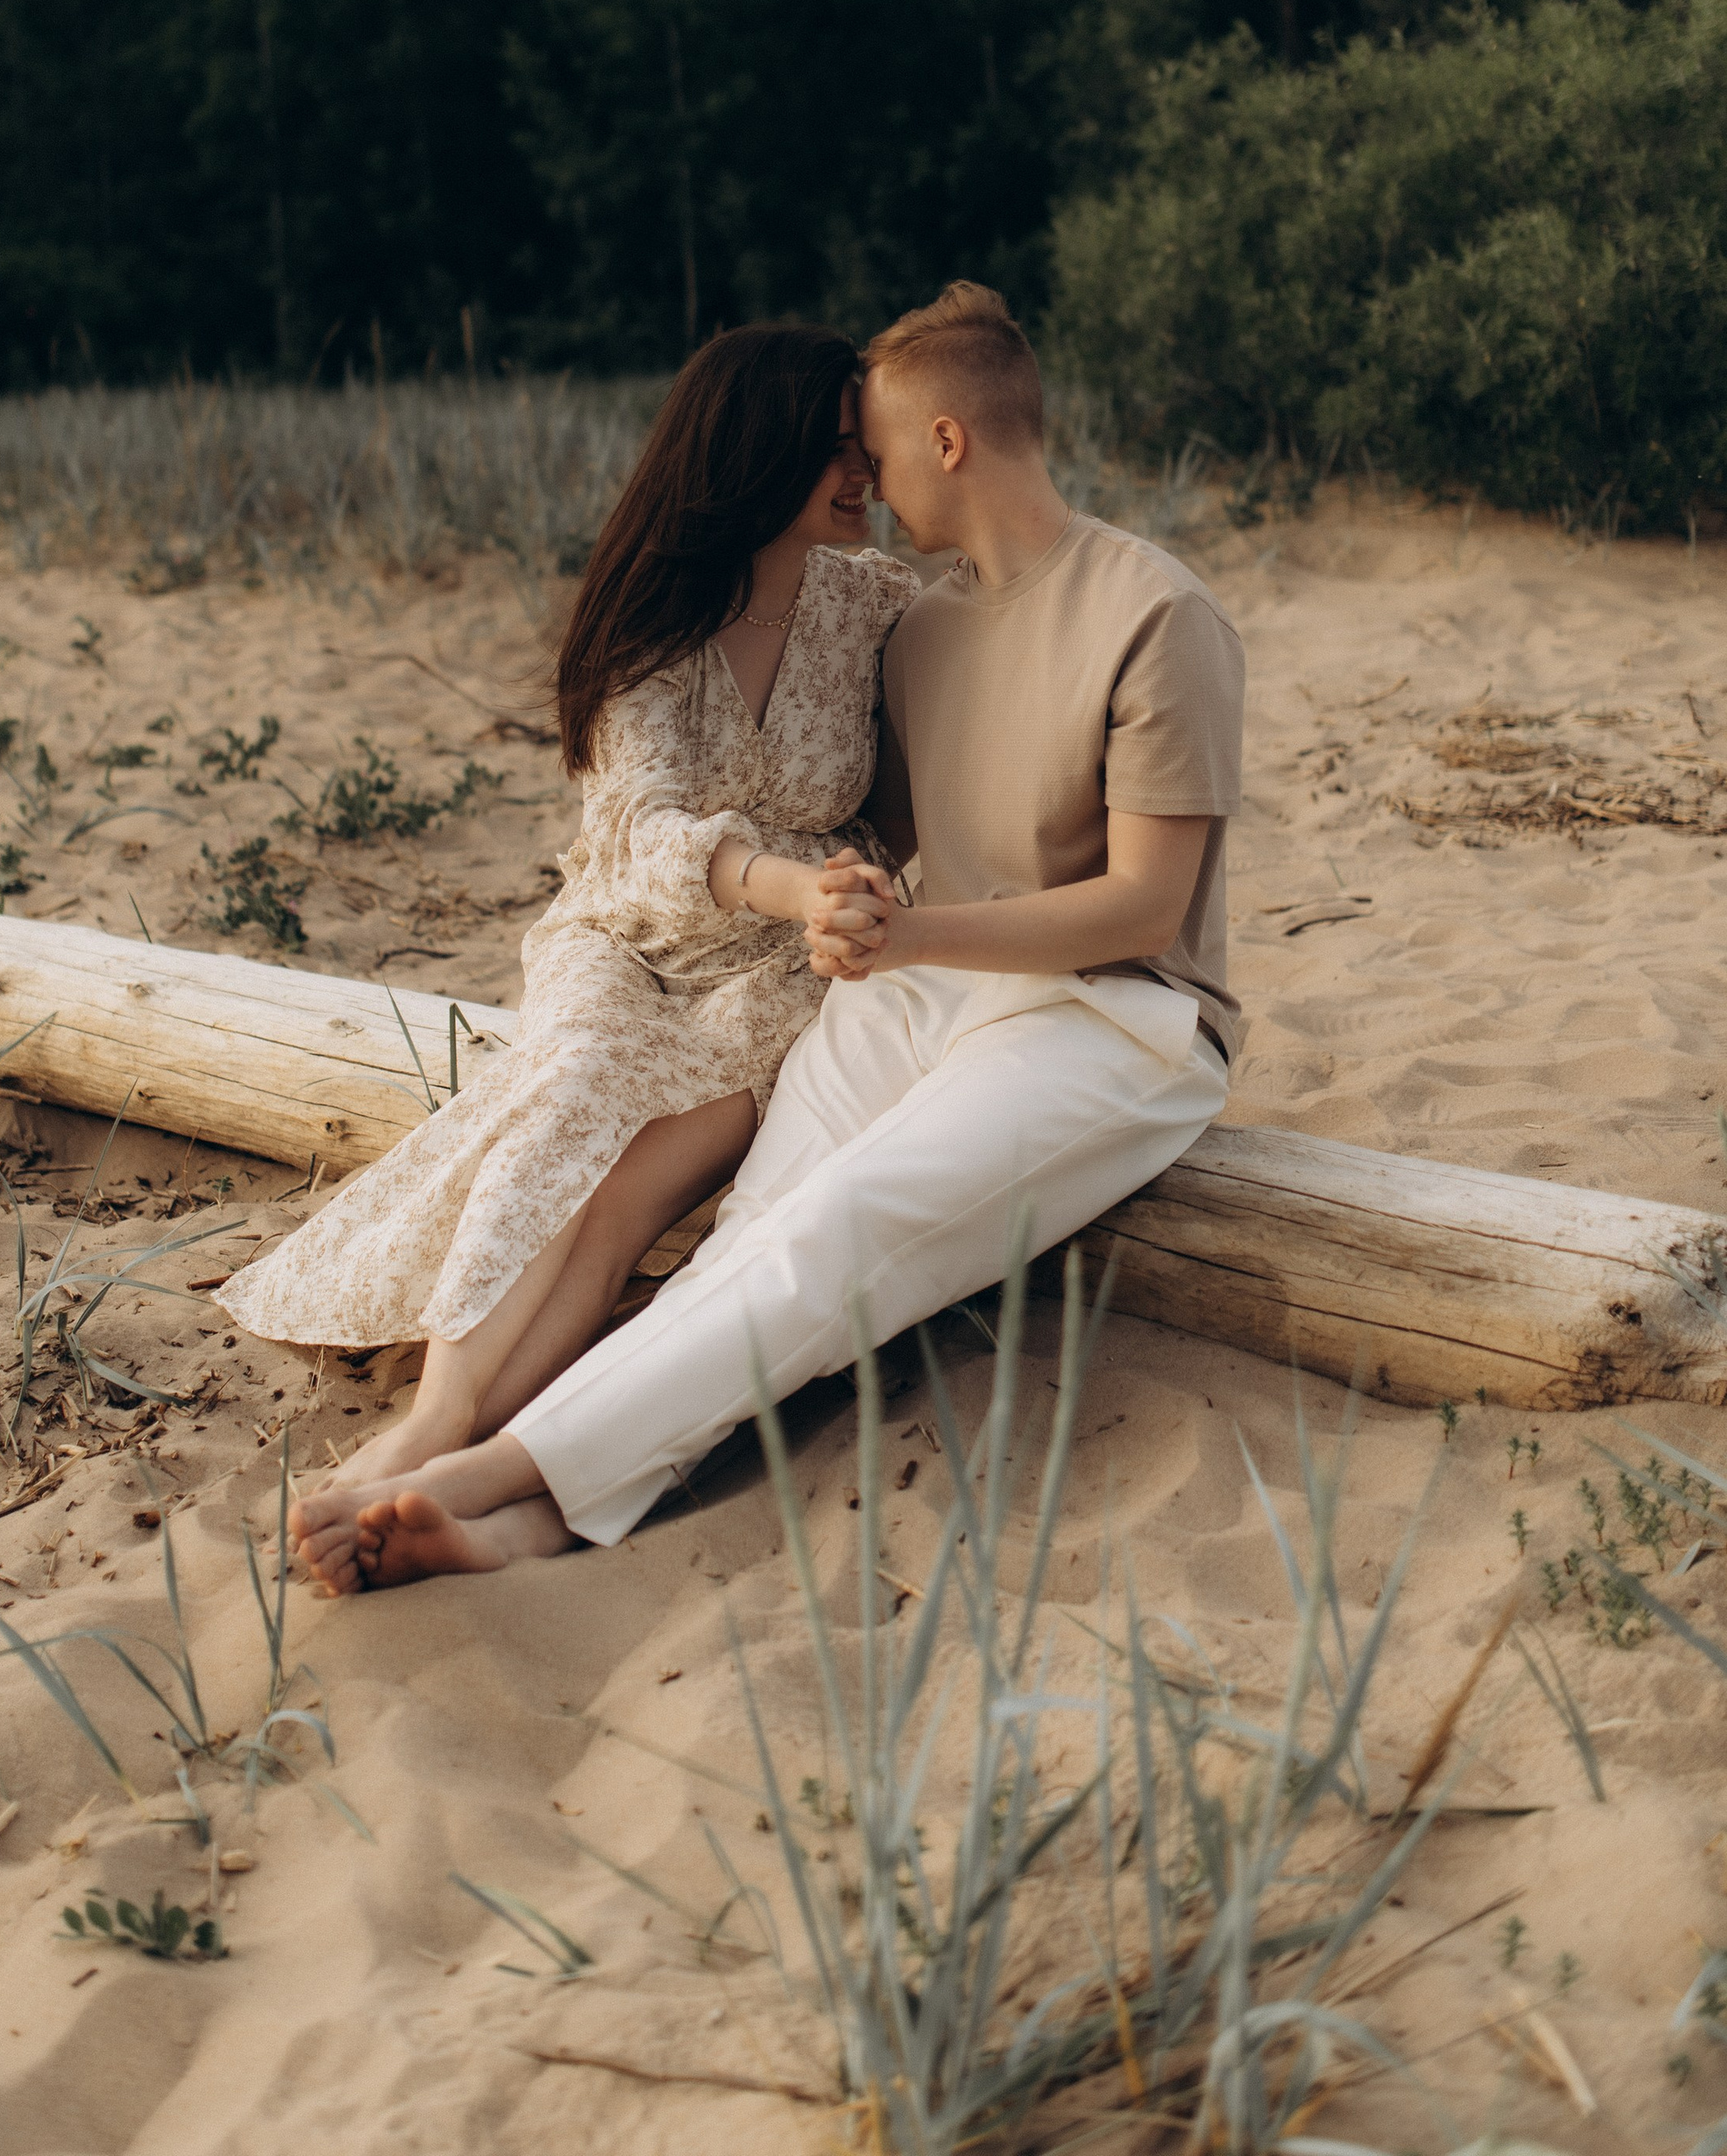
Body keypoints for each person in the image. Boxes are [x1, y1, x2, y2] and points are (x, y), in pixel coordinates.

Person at [289, 280, 1243, 1594]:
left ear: (946, 442)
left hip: (1117, 1017)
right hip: (921, 992)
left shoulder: (1157, 613)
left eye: (880, 444)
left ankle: (500, 1480)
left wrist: (899, 938)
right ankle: (544, 1495)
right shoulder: (927, 628)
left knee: (838, 1225)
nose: (871, 473)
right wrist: (856, 926)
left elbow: (1146, 906)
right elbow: (857, 826)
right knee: (750, 1234)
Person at [218, 323, 916, 1487]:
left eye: (866, 446)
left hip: (781, 968)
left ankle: (458, 1447)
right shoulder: (653, 620)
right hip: (630, 935)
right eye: (834, 449)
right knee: (572, 1088)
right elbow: (638, 833)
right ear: (753, 452)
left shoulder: (877, 604)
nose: (864, 475)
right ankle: (440, 1413)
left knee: (629, 1191)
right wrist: (792, 883)